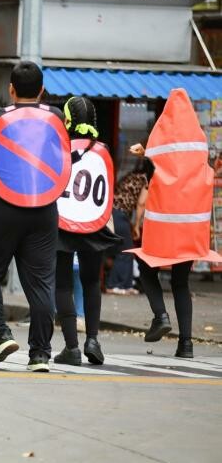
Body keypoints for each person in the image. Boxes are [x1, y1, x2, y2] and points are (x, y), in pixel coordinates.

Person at [0, 61, 67, 372]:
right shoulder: (55, 116)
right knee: (41, 284)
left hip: (6, 206)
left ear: (11, 89)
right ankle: (40, 354)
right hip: (43, 208)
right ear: (41, 90)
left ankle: (0, 334)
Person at [125, 88, 222, 358]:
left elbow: (158, 159)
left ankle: (161, 316)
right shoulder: (199, 144)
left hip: (164, 227)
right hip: (191, 227)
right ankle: (187, 345)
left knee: (146, 268)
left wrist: (143, 151)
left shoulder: (160, 144)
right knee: (181, 282)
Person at [52, 97, 120, 366]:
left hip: (62, 223)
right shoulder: (103, 149)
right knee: (92, 282)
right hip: (95, 223)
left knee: (63, 285)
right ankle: (93, 339)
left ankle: (71, 347)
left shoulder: (59, 148)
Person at [104, 157, 152, 294]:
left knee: (123, 249)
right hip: (118, 213)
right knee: (126, 250)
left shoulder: (132, 175)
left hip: (110, 212)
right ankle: (114, 285)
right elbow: (142, 203)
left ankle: (124, 285)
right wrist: (137, 225)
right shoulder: (146, 179)